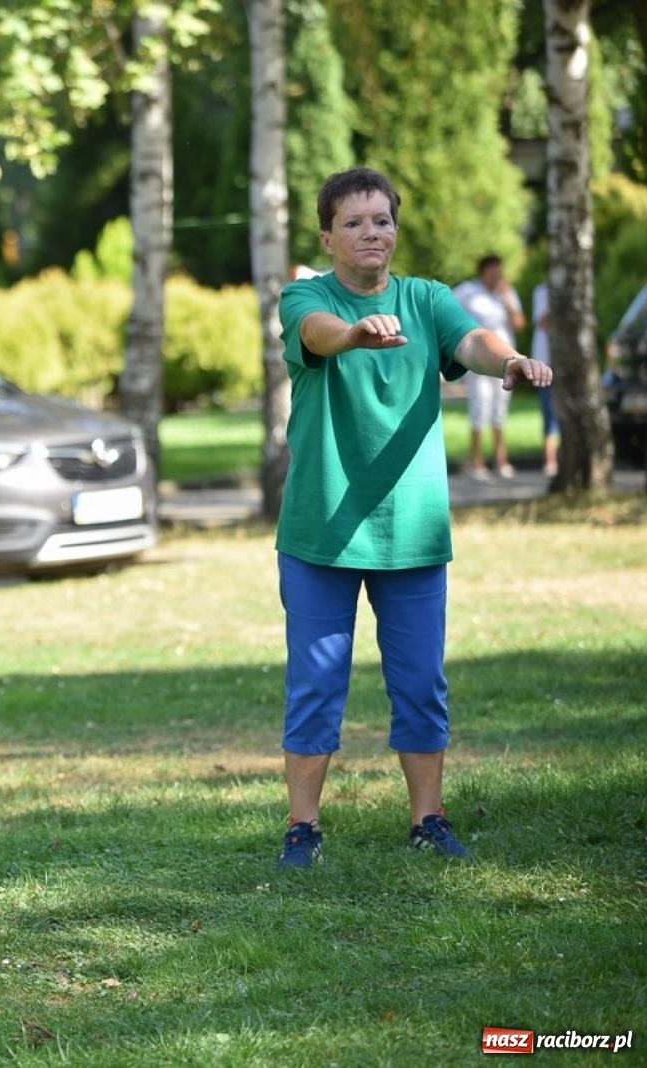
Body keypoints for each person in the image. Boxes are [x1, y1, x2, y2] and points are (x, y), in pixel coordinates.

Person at [272, 168, 551, 869]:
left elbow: (470, 341)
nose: (373, 233)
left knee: (421, 681)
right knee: (315, 683)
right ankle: (302, 828)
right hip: (321, 533)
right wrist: (357, 334)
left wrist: (510, 360)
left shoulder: (426, 298)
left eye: (383, 220)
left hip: (413, 531)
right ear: (327, 235)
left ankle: (428, 818)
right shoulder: (305, 294)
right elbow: (318, 333)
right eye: (357, 222)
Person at [452, 255, 527, 479]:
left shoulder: (506, 293)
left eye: (499, 272)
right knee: (480, 406)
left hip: (506, 363)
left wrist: (507, 299)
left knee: (499, 409)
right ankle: (476, 461)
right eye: (492, 272)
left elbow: (519, 324)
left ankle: (501, 459)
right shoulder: (468, 292)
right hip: (479, 361)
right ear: (482, 272)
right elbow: (450, 314)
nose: (496, 276)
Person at [530, 280, 560, 476]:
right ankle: (551, 460)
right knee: (549, 413)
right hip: (546, 362)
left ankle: (559, 458)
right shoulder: (543, 290)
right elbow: (543, 321)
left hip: (565, 363)